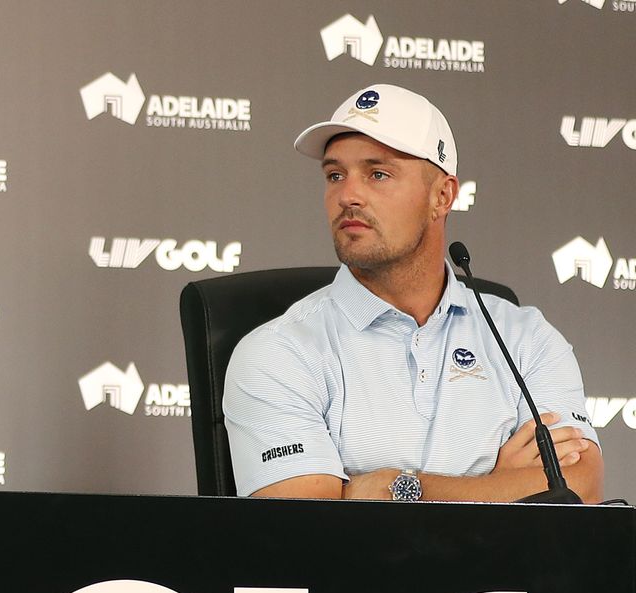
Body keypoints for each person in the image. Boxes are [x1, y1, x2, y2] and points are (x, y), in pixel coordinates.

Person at [222, 84, 603, 502]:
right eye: (335, 175)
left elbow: (579, 488)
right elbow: (304, 532)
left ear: (443, 196)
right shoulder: (277, 351)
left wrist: (392, 489)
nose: (347, 195)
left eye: (378, 174)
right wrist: (499, 486)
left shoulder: (524, 337)